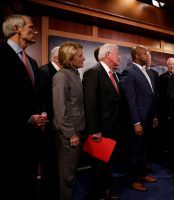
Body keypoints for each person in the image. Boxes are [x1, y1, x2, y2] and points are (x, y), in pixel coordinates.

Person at [0, 14, 47, 199]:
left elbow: (37, 96)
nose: (35, 31)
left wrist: (41, 113)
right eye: (31, 27)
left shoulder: (32, 62)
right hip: (9, 136)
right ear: (17, 29)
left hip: (31, 138)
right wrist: (27, 117)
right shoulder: (2, 54)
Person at [82, 44, 123, 200]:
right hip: (101, 129)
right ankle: (98, 194)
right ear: (107, 55)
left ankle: (105, 190)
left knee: (107, 164)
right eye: (117, 53)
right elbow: (90, 103)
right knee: (99, 166)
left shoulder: (113, 74)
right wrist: (94, 130)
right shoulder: (94, 72)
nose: (119, 56)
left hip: (113, 128)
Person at [120, 45, 158, 192]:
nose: (149, 56)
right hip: (137, 121)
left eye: (149, 53)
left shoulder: (146, 72)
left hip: (148, 119)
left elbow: (151, 95)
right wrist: (136, 122)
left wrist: (154, 115)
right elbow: (130, 100)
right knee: (134, 151)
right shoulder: (129, 72)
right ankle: (132, 179)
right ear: (136, 56)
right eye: (145, 53)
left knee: (144, 150)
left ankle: (142, 174)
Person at [52, 41, 86, 200]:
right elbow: (60, 109)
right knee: (67, 175)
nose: (83, 58)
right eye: (80, 56)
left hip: (76, 130)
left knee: (71, 172)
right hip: (69, 133)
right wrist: (70, 133)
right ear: (70, 57)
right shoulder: (61, 76)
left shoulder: (74, 73)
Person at [38, 46, 61, 199]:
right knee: (49, 159)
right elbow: (40, 98)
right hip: (47, 124)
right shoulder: (44, 71)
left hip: (60, 124)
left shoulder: (65, 72)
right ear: (57, 58)